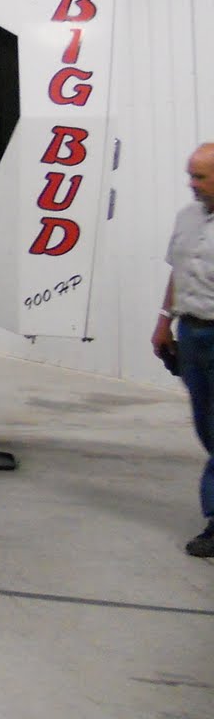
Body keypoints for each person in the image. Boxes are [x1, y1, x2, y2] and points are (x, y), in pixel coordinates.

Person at [155, 142, 214, 556]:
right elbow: (178, 273)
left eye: (201, 176)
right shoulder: (187, 217)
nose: (192, 184)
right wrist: (164, 322)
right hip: (192, 334)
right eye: (190, 175)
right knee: (207, 427)